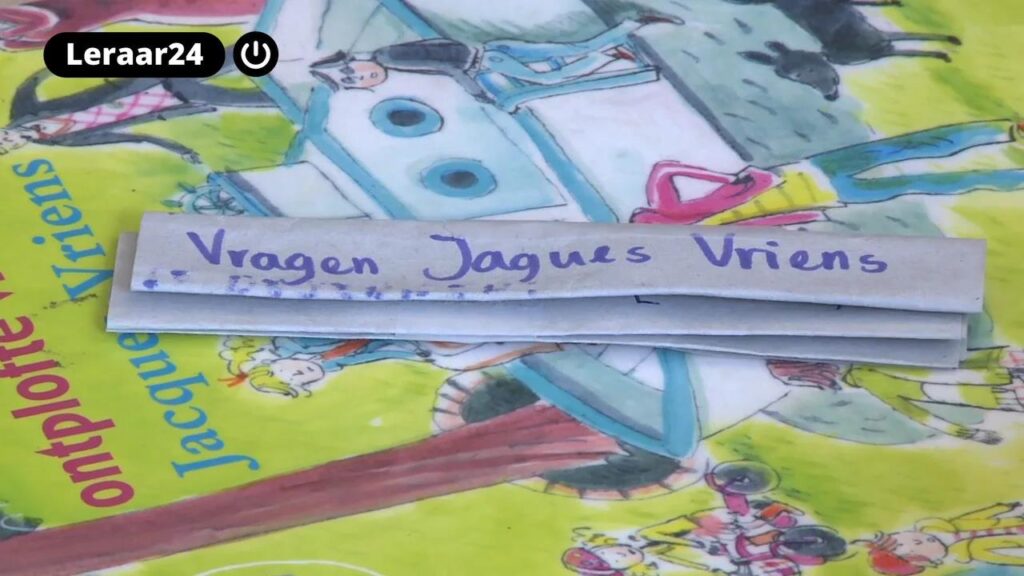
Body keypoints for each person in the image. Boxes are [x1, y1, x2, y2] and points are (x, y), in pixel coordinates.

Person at [632, 121, 1024, 225]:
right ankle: (1015, 175)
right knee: (921, 181)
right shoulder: (697, 240)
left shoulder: (667, 209)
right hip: (825, 197)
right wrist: (807, 217)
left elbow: (666, 169)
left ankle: (1000, 131)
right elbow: (761, 227)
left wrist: (732, 180)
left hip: (802, 176)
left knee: (902, 150)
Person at [309, 12, 684, 101]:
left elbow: (449, 66)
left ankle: (613, 54)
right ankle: (632, 25)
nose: (362, 80)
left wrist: (478, 91)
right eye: (354, 84)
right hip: (488, 51)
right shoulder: (388, 55)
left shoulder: (392, 58)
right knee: (569, 51)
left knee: (550, 77)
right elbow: (443, 48)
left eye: (352, 74)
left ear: (350, 60)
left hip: (485, 62)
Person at [1, 61, 275, 160]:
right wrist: (180, 149)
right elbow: (133, 137)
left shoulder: (24, 110)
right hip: (170, 100)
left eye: (4, 139)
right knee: (261, 99)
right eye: (8, 148)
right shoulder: (65, 141)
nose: (12, 142)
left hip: (150, 78)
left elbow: (31, 82)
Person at [767, 347, 1024, 445]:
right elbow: (918, 412)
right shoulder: (873, 371)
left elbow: (918, 413)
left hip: (995, 384)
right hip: (995, 384)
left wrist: (965, 433)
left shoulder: (873, 370)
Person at [221, 336, 424, 398]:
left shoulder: (289, 344)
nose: (297, 373)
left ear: (275, 362)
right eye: (295, 380)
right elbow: (371, 355)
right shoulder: (332, 365)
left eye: (285, 372)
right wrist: (412, 354)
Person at [864, 502, 1024, 574]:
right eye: (917, 546)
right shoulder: (974, 551)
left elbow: (980, 515)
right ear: (925, 561)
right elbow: (1012, 557)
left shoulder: (952, 526)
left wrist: (1003, 508)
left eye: (899, 540)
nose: (917, 542)